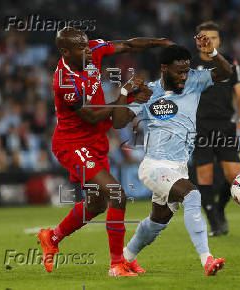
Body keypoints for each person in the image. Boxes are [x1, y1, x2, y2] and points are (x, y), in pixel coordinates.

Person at [36, 27, 172, 277]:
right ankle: (117, 264)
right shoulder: (63, 81)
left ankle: (52, 237)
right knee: (116, 195)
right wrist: (124, 94)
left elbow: (129, 44)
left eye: (87, 45)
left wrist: (160, 41)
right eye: (80, 48)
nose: (87, 50)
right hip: (72, 143)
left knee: (96, 204)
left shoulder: (92, 51)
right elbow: (91, 114)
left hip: (96, 140)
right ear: (65, 52)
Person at [111, 36, 232, 276]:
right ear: (164, 69)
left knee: (157, 222)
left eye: (187, 71)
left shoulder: (195, 81)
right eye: (179, 72)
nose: (184, 76)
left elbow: (225, 72)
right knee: (192, 194)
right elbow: (117, 121)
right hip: (155, 166)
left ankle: (125, 259)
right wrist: (126, 92)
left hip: (179, 168)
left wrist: (213, 52)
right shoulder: (150, 92)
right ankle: (207, 259)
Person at [190, 21, 240, 237]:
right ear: (198, 41)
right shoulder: (189, 65)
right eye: (205, 38)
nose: (210, 41)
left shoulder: (229, 63)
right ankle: (215, 223)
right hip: (200, 127)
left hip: (225, 125)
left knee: (235, 176)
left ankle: (220, 208)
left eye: (214, 38)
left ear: (219, 40)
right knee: (204, 176)